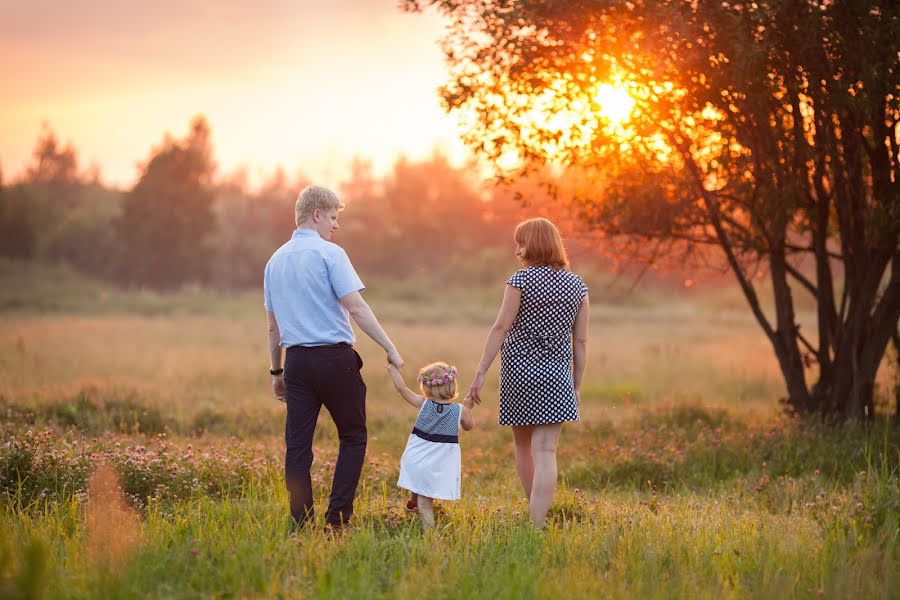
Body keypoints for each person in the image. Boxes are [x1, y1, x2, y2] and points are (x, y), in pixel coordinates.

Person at [264, 184, 404, 531]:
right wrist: (389, 346)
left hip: (296, 362)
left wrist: (276, 370)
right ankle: (337, 521)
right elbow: (356, 306)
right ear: (316, 214)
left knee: (297, 446)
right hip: (335, 360)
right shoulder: (331, 254)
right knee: (353, 436)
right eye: (333, 217)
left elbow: (273, 327)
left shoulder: (274, 261)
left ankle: (300, 523)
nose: (335, 225)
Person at [465, 218, 589, 528]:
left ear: (532, 244)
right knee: (546, 449)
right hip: (557, 376)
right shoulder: (578, 286)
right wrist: (575, 383)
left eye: (520, 242)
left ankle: (536, 517)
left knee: (523, 446)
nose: (516, 248)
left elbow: (501, 327)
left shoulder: (519, 280)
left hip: (519, 373)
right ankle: (537, 521)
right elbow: (581, 340)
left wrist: (480, 372)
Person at [387, 361, 474, 528]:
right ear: (451, 385)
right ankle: (428, 534)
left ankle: (420, 518)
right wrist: (468, 408)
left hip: (417, 458)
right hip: (439, 465)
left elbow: (402, 389)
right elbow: (468, 426)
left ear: (426, 387)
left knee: (418, 485)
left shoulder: (423, 404)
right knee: (425, 502)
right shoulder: (459, 410)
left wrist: (393, 370)